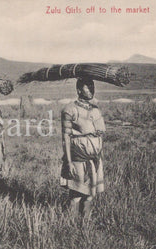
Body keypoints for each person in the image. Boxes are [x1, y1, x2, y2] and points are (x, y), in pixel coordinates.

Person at [60, 77, 106, 220]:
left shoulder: (95, 110)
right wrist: (69, 162)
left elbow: (100, 132)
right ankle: (70, 225)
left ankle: (86, 225)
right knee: (76, 196)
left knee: (90, 195)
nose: (91, 89)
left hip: (94, 160)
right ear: (79, 90)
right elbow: (66, 138)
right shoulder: (70, 109)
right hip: (78, 159)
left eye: (92, 86)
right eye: (88, 87)